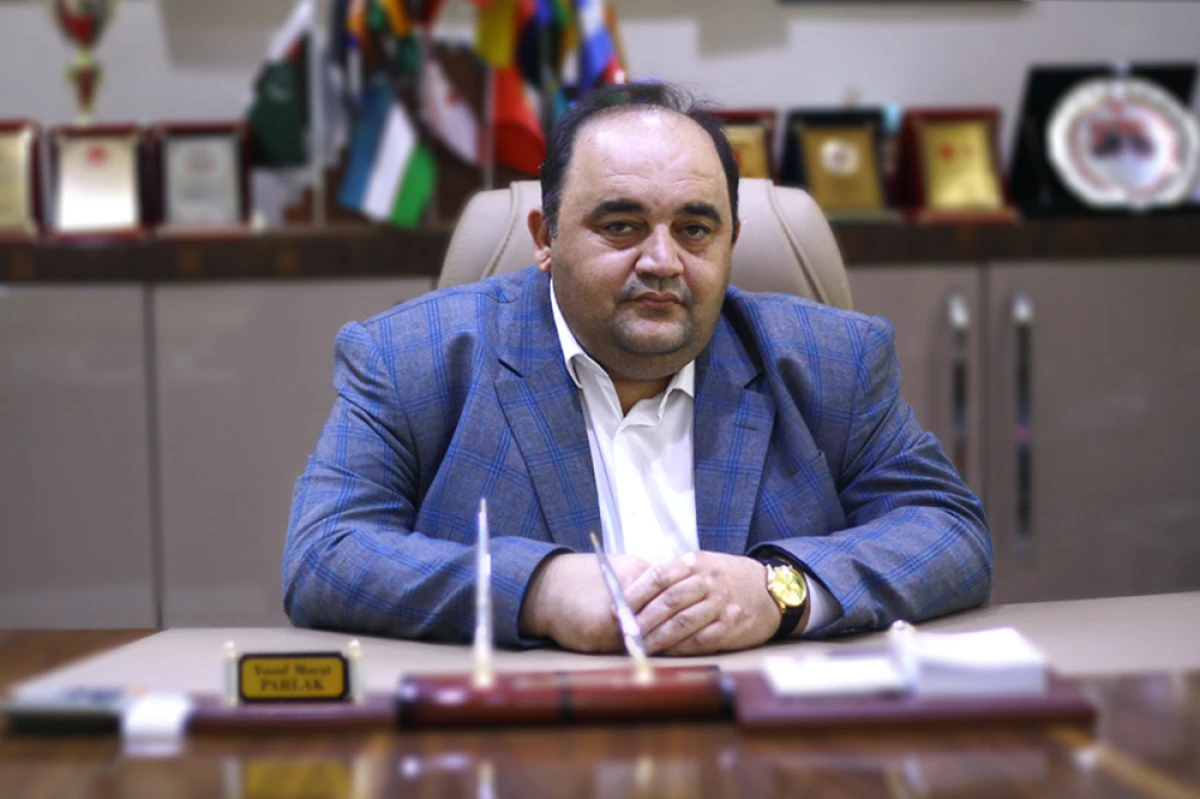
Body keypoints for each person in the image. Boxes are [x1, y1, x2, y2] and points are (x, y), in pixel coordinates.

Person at [283, 82, 991, 656]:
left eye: (695, 229)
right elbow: (324, 553)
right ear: (545, 238)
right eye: (620, 226)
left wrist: (782, 590)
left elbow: (949, 530)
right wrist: (538, 589)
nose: (661, 261)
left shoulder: (831, 360)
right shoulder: (411, 358)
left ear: (731, 242)